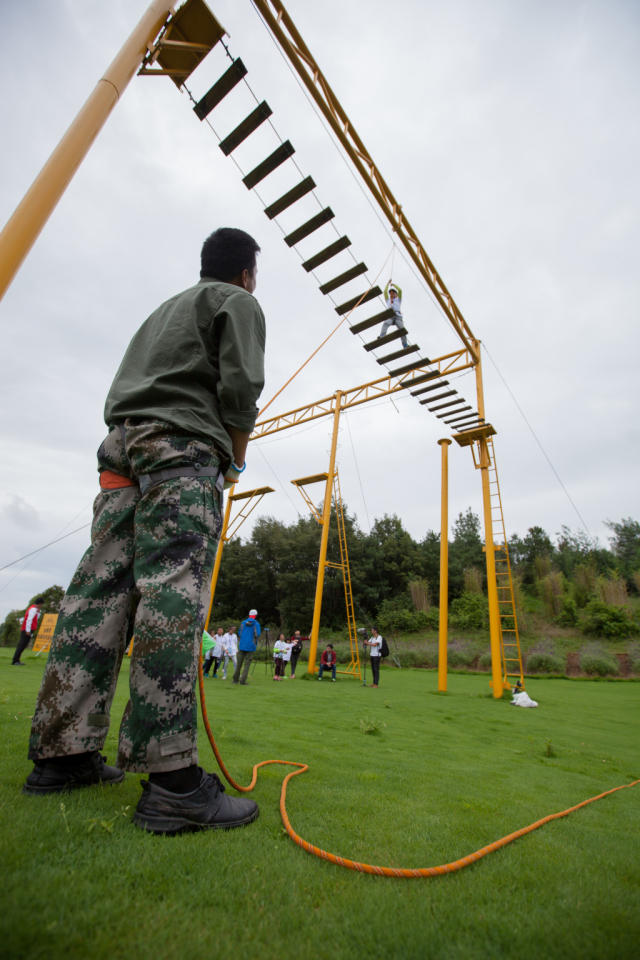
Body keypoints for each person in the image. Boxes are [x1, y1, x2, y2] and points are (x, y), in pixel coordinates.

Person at [23, 227, 266, 836]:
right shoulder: (236, 302)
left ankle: (64, 754)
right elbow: (240, 389)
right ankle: (173, 784)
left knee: (95, 598)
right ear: (245, 274)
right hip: (180, 450)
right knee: (172, 593)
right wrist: (232, 462)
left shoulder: (161, 312)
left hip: (119, 452)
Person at [12, 596, 44, 665]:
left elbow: (36, 618)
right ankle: (15, 661)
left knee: (23, 645)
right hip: (26, 630)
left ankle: (17, 660)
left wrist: (38, 612)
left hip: (28, 629)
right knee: (21, 645)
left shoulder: (35, 610)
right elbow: (29, 620)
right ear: (40, 604)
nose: (41, 606)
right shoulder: (33, 609)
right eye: (41, 604)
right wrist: (28, 630)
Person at [233, 609, 261, 685]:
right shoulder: (256, 624)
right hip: (251, 646)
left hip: (242, 645)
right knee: (247, 664)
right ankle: (242, 681)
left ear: (249, 615)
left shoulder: (243, 623)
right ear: (255, 615)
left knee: (239, 664)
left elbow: (240, 633)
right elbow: (257, 634)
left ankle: (235, 680)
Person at [379, 281, 408, 348]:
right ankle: (382, 336)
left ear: (396, 294)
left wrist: (393, 285)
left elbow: (400, 290)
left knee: (402, 330)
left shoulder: (398, 299)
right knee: (386, 323)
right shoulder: (388, 300)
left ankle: (405, 345)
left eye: (393, 293)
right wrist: (387, 284)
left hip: (398, 317)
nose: (392, 294)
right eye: (391, 293)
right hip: (390, 316)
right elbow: (385, 292)